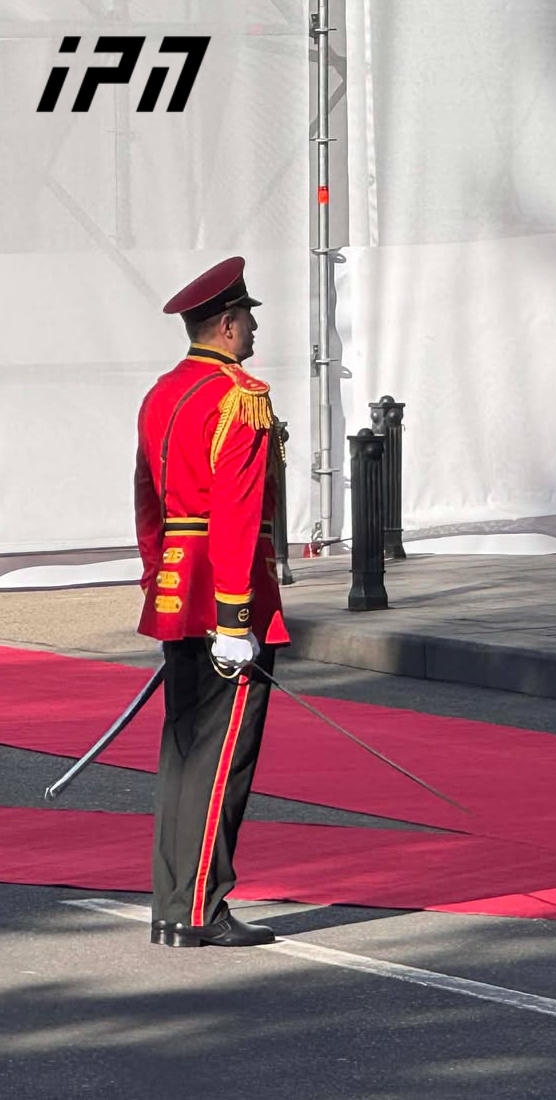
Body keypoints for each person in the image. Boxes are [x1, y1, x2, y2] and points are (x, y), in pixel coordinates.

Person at [134, 256, 290, 945]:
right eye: (248, 317)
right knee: (221, 758)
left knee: (183, 751)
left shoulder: (163, 392)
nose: (254, 327)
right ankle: (201, 908)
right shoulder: (239, 394)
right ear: (226, 324)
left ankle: (173, 903)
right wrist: (235, 617)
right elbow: (235, 510)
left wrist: (157, 575)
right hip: (225, 590)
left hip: (177, 581)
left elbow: (147, 500)